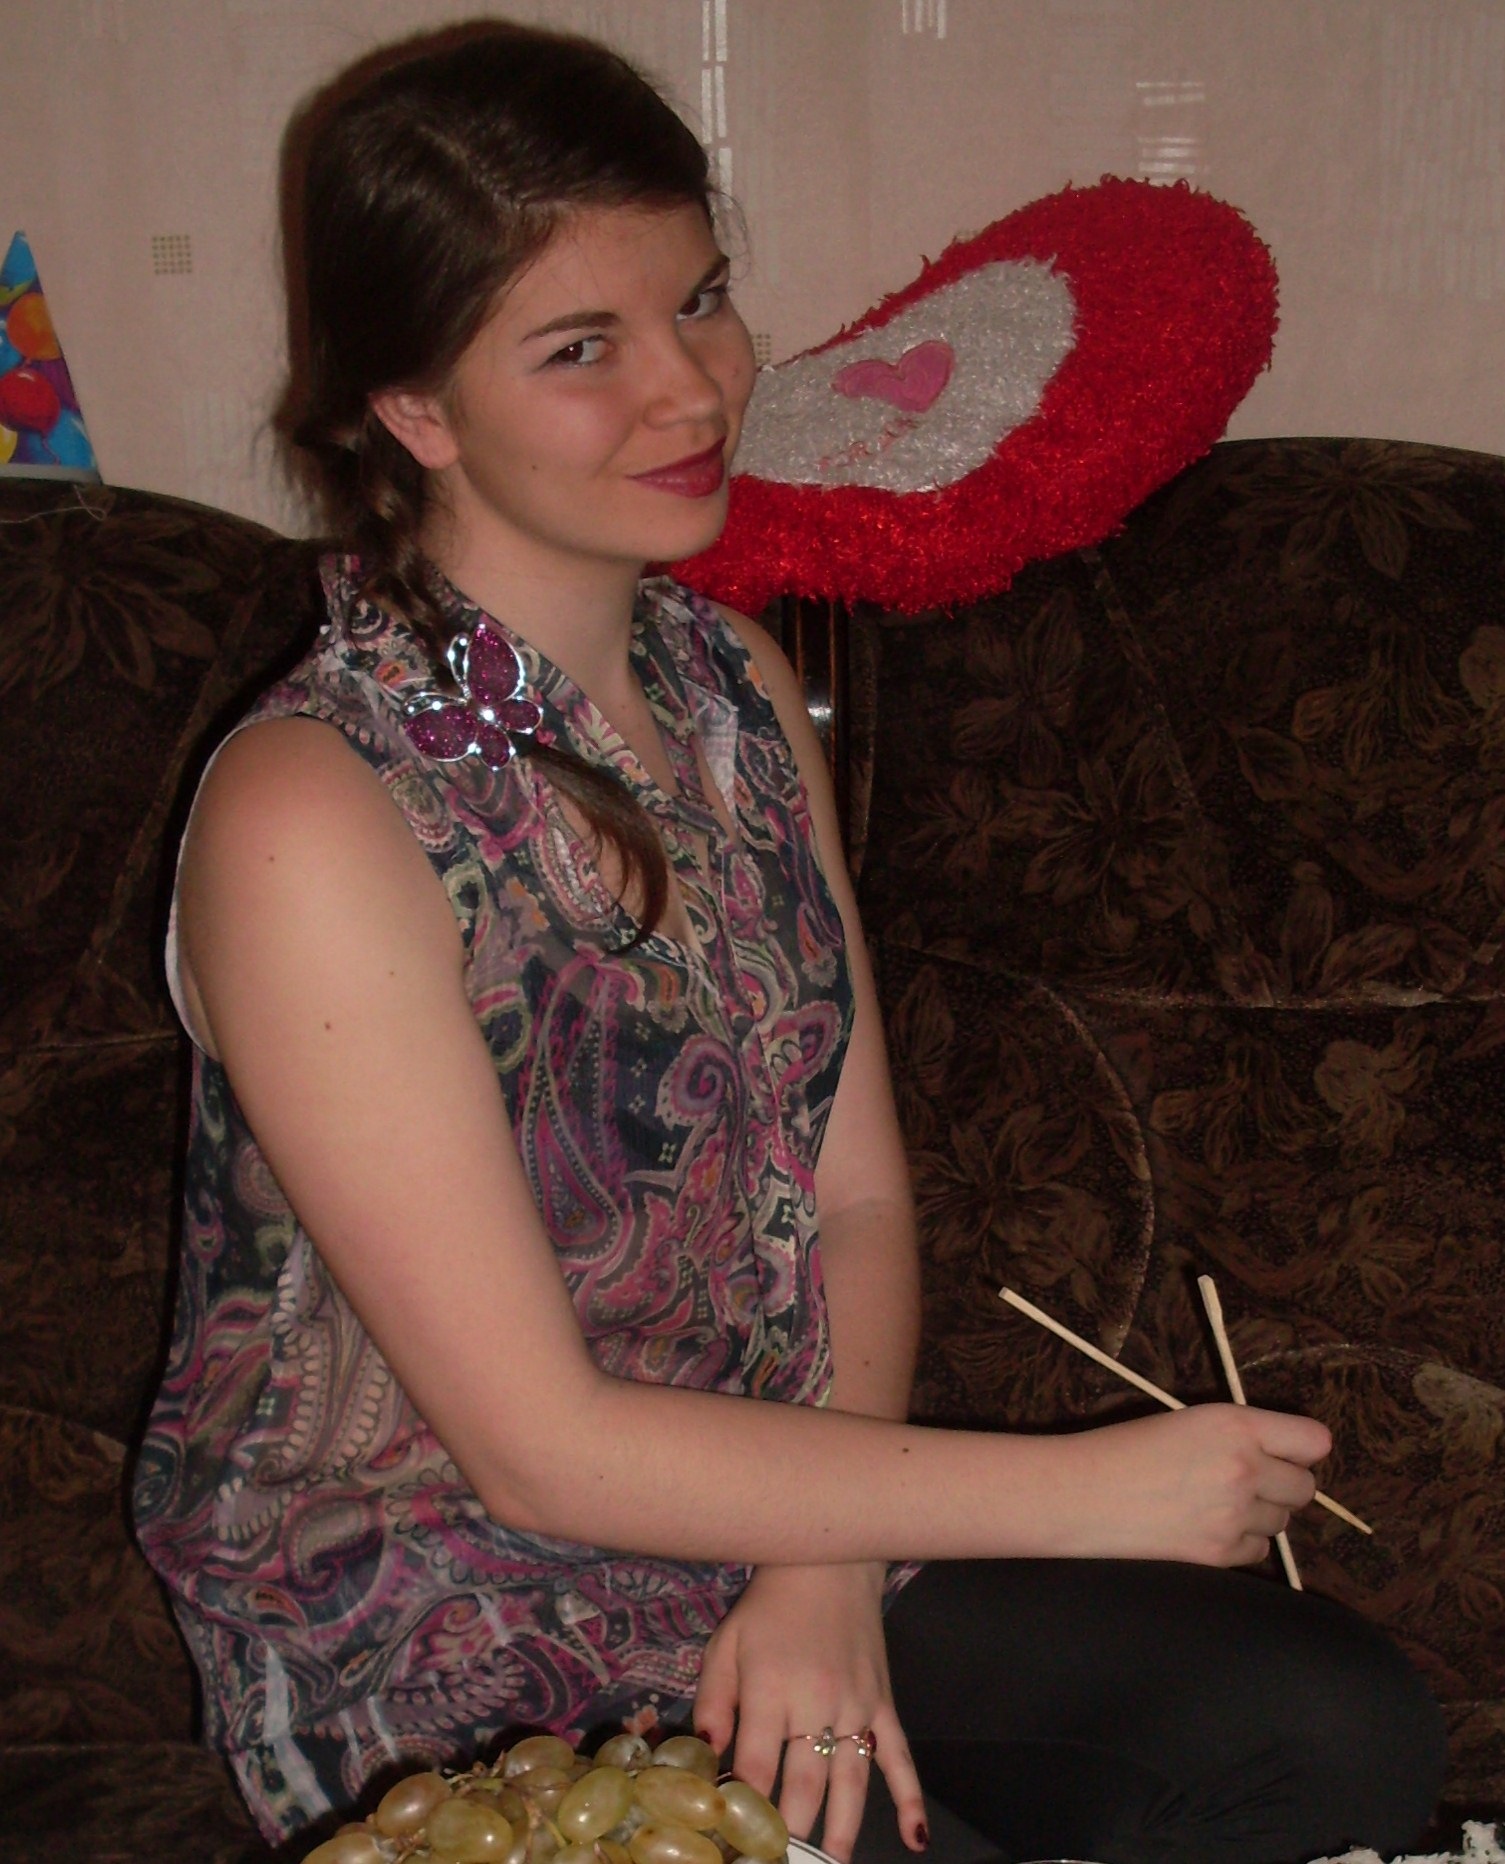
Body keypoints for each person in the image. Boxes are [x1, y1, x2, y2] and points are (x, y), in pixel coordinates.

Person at [132, 20, 1446, 1864]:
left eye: (699, 301)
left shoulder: (732, 683)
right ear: (415, 410)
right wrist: (1088, 1496)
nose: (691, 389)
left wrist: (822, 1567)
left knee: (1329, 1731)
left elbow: (858, 1202)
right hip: (447, 1626)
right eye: (581, 348)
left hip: (767, 1528)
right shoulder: (311, 810)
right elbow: (537, 1449)